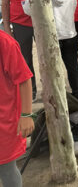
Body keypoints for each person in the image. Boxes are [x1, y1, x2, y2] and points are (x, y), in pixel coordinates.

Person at [0, 0, 37, 101]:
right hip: (21, 24)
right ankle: (32, 91)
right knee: (25, 60)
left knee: (49, 56)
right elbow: (5, 3)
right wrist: (7, 27)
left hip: (40, 23)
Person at [0, 29, 34, 187]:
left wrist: (26, 115)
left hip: (4, 122)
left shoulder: (4, 42)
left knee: (6, 168)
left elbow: (24, 78)